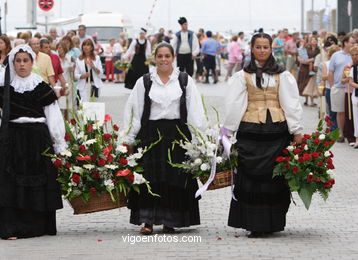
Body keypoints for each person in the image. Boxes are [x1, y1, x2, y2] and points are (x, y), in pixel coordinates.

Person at [0, 44, 66, 239]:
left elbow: (53, 115)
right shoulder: (5, 86)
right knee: (9, 183)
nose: (22, 65)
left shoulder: (41, 86)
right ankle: (10, 227)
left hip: (38, 140)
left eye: (26, 61)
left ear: (32, 62)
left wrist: (59, 144)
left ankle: (37, 225)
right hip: (12, 137)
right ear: (12, 63)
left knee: (37, 181)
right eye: (18, 61)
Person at [222, 33, 303, 238]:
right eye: (258, 47)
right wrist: (227, 131)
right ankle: (253, 223)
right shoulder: (242, 75)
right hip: (250, 130)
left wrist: (296, 131)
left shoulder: (282, 75)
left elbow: (290, 104)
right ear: (252, 48)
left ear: (271, 48)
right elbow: (234, 104)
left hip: (276, 131)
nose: (262, 51)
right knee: (249, 176)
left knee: (274, 176)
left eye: (265, 47)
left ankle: (272, 222)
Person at [125, 42, 205, 235]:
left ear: (173, 57)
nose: (163, 60)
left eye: (167, 56)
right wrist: (128, 139)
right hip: (150, 135)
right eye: (159, 56)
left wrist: (198, 140)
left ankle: (171, 220)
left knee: (174, 179)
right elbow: (134, 111)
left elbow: (195, 111)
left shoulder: (184, 80)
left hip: (177, 135)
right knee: (149, 179)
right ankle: (148, 221)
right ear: (154, 58)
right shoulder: (144, 81)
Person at [328, 35, 355, 143]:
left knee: (351, 111)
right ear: (345, 43)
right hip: (339, 87)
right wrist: (332, 85)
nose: (353, 44)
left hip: (351, 88)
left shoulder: (354, 55)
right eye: (351, 42)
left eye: (354, 42)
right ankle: (341, 133)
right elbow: (331, 71)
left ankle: (351, 133)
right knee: (340, 111)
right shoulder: (336, 55)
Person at [321, 44, 340, 132]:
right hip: (329, 88)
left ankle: (338, 128)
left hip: (339, 88)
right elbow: (323, 77)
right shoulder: (327, 64)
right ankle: (333, 128)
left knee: (339, 110)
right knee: (332, 110)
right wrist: (331, 75)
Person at [302, 37, 321, 106]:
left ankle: (312, 101)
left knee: (312, 84)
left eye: (315, 40)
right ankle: (306, 100)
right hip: (306, 67)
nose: (314, 41)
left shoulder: (319, 49)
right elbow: (303, 57)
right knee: (305, 83)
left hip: (314, 67)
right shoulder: (307, 49)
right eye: (313, 40)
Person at [348, 46, 358, 148]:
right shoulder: (353, 68)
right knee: (356, 118)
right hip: (356, 95)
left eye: (356, 54)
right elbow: (351, 82)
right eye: (353, 55)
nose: (355, 57)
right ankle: (357, 139)